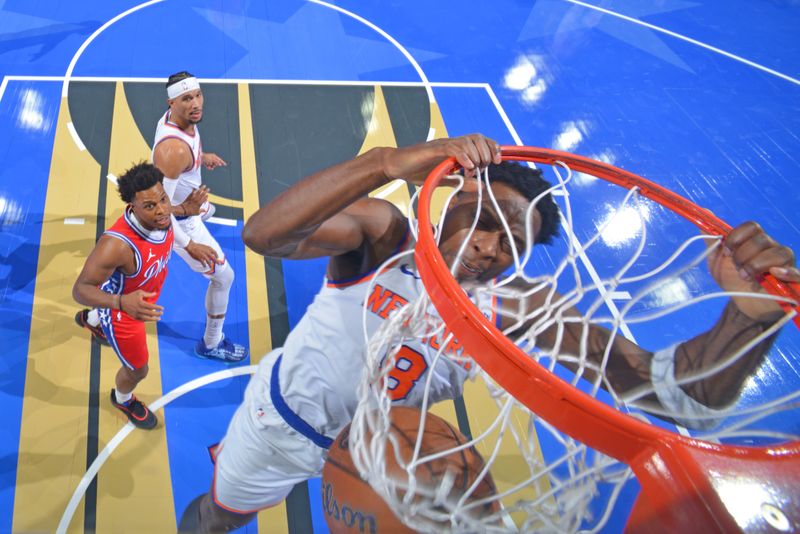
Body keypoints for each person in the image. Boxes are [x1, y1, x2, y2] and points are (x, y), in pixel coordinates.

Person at [178, 134, 800, 531]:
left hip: (394, 456)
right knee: (218, 516)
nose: (489, 248)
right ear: (449, 201)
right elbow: (264, 235)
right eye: (486, 219)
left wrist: (745, 320)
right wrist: (386, 163)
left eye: (512, 242)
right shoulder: (385, 239)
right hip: (282, 423)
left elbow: (677, 400)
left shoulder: (518, 304)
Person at [150, 70, 247, 362]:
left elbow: (181, 159)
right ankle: (212, 342)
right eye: (186, 98)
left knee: (207, 208)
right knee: (224, 277)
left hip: (187, 208)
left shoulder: (179, 123)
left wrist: (200, 158)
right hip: (178, 223)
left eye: (198, 95)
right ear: (171, 103)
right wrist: (190, 245)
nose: (196, 103)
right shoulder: (174, 150)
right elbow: (161, 211)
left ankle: (99, 318)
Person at [73, 162, 174, 429]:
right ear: (133, 206)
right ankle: (123, 399)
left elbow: (171, 210)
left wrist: (191, 231)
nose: (162, 209)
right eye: (151, 206)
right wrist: (120, 303)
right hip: (123, 314)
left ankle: (91, 321)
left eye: (163, 199)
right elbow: (80, 289)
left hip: (132, 299)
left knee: (108, 303)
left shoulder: (162, 213)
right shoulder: (116, 246)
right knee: (138, 369)